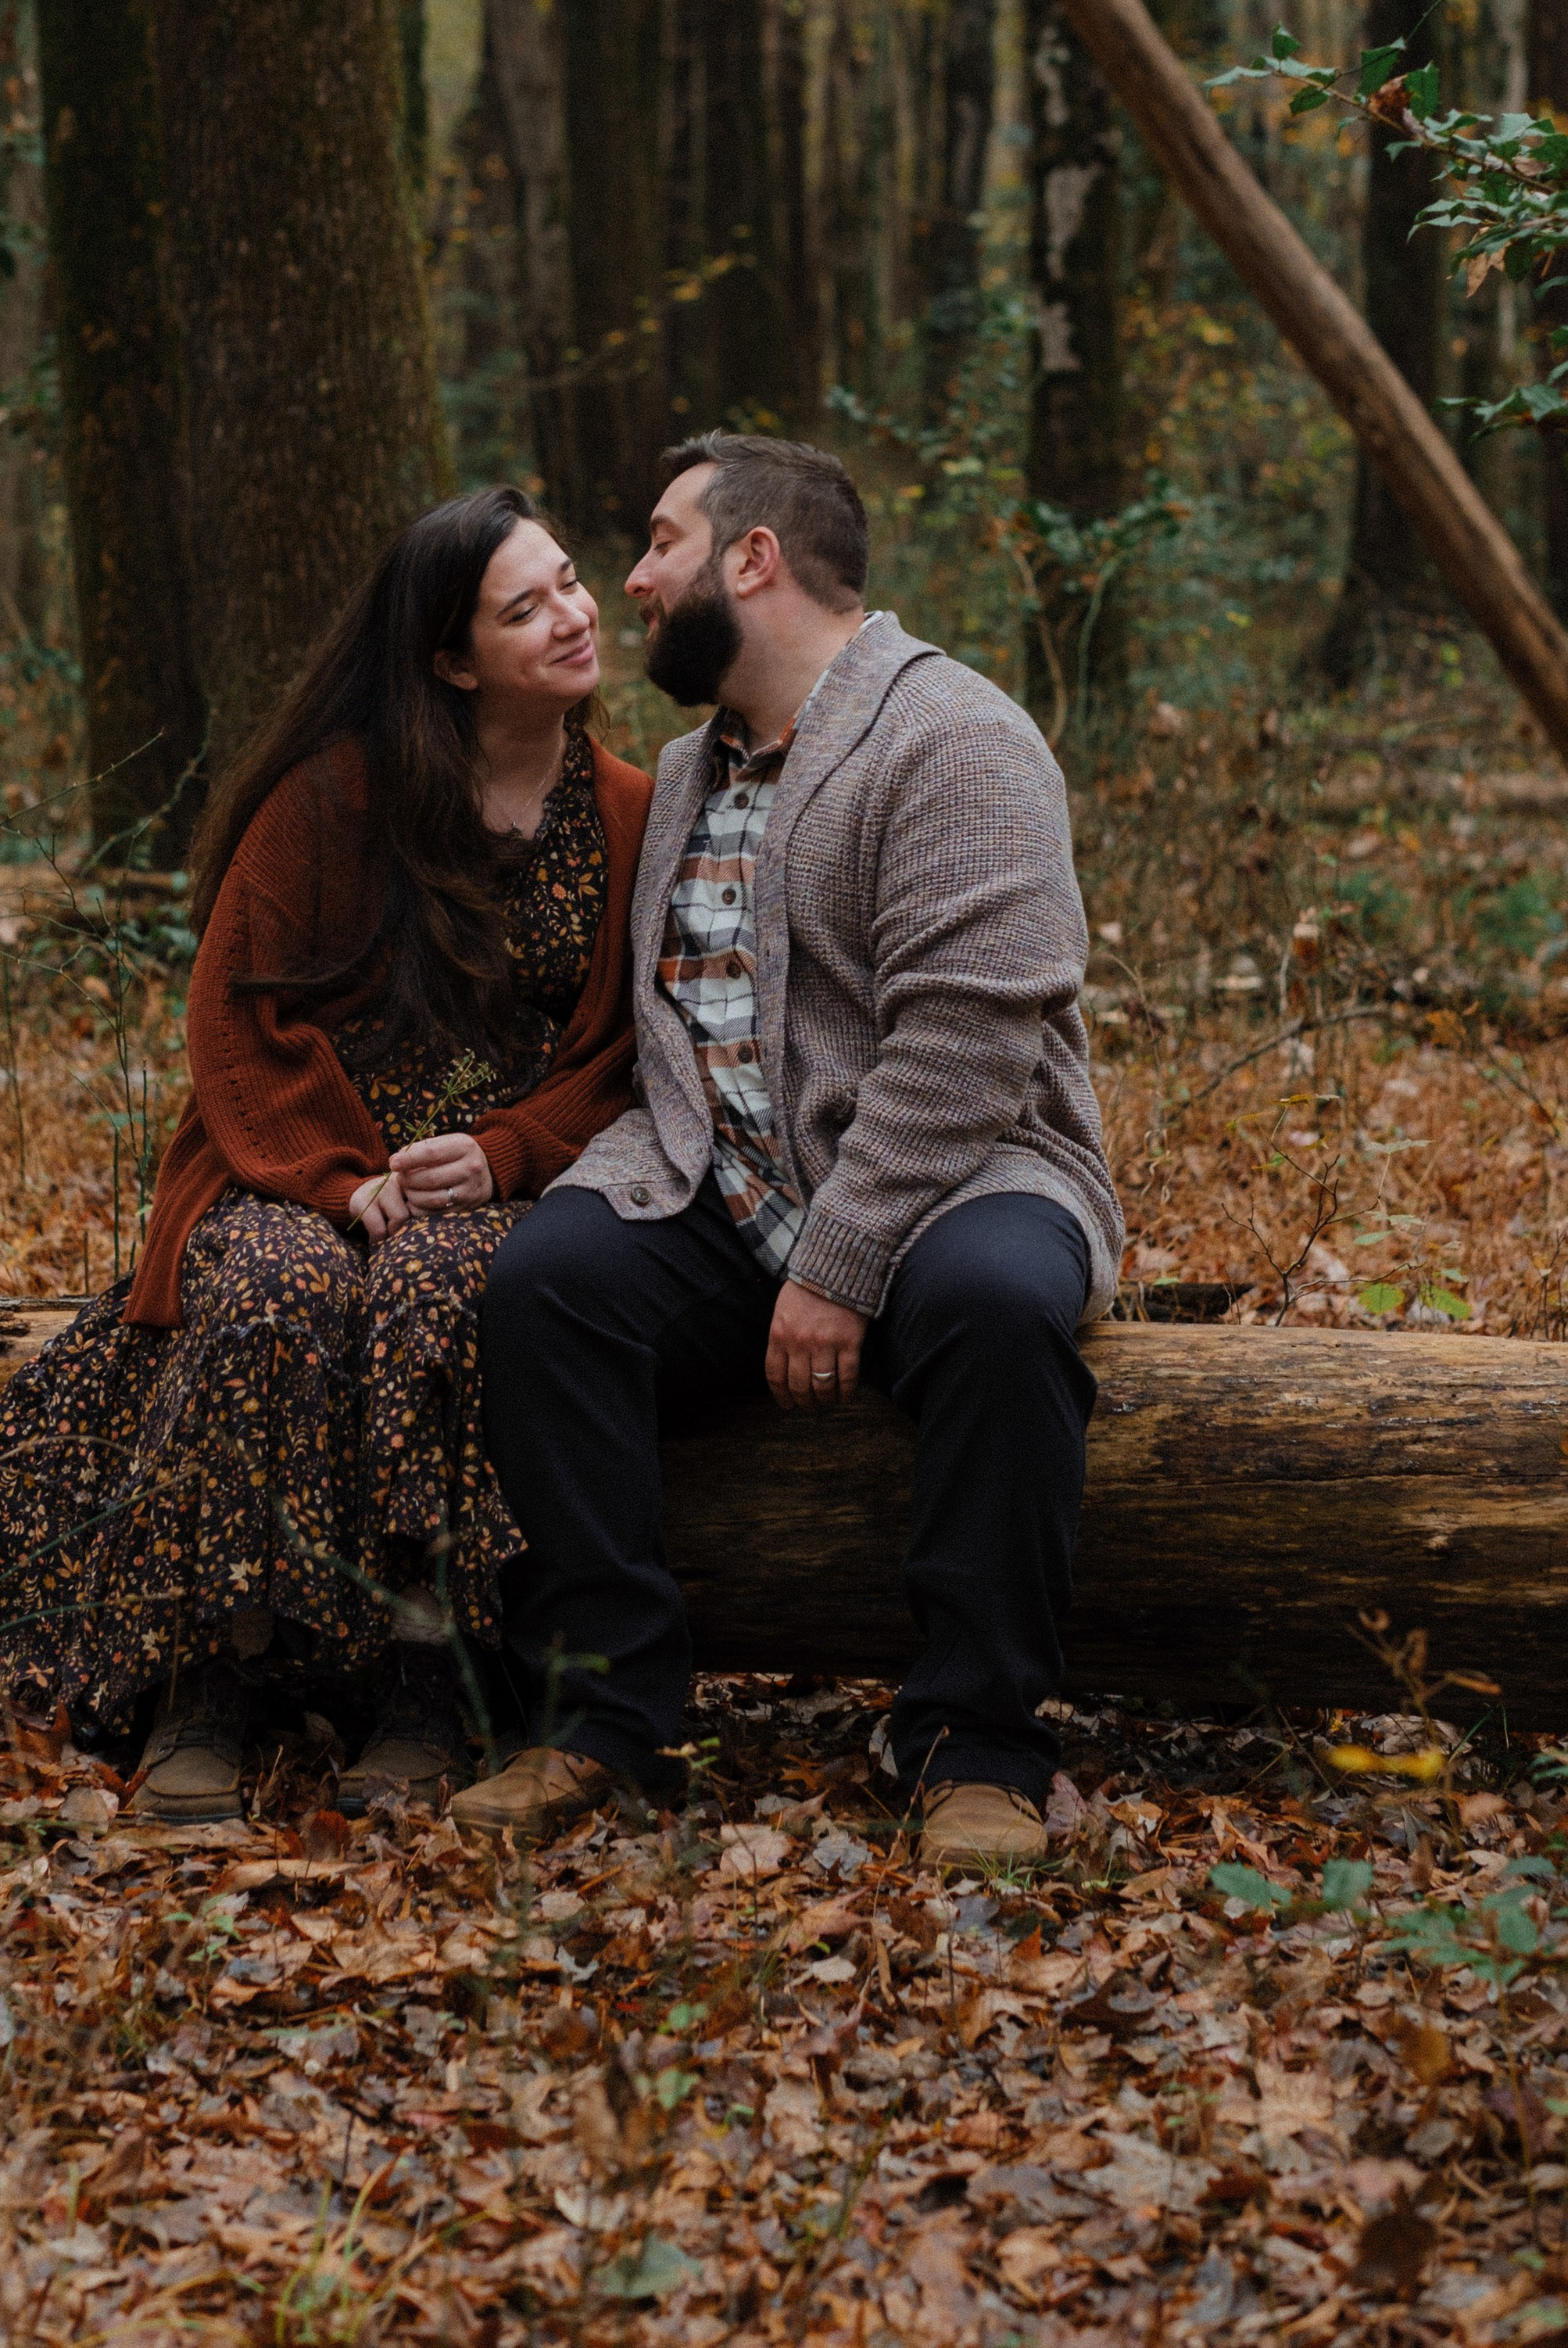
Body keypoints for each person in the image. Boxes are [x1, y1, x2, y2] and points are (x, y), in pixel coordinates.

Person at [451, 433, 1125, 1867]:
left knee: (1000, 1307)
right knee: (546, 1287)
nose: (628, 582)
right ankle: (605, 1720)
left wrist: (840, 1259)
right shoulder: (692, 770)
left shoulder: (960, 737)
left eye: (659, 545)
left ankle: (976, 1742)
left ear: (753, 559)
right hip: (730, 1190)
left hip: (970, 1174)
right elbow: (676, 1045)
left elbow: (967, 1041)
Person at [0, 489, 653, 1823]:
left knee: (449, 1292)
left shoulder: (631, 810)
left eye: (572, 583)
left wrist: (512, 1151)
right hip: (294, 1162)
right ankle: (214, 1676)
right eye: (527, 608)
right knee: (280, 1289)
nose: (576, 616)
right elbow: (239, 1012)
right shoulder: (335, 797)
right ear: (453, 659)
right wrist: (348, 1182)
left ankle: (426, 1677)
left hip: (497, 1187)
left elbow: (630, 1050)